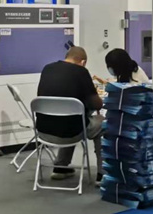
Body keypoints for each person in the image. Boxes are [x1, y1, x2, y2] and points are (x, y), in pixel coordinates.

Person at [36, 46, 104, 183]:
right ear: (83, 62)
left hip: (44, 131)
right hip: (72, 132)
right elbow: (97, 104)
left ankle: (60, 168)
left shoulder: (47, 68)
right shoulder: (82, 72)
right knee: (102, 123)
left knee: (70, 118)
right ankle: (103, 174)